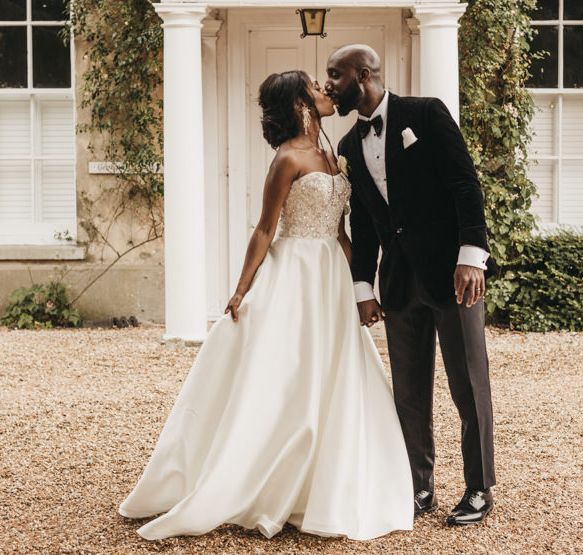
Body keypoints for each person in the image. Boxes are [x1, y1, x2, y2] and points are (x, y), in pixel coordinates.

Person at [118, 71, 413, 541]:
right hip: (294, 271)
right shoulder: (287, 160)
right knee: (287, 375)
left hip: (331, 275)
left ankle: (327, 482)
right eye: (317, 87)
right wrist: (240, 290)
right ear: (300, 103)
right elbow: (264, 229)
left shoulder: (333, 153)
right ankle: (266, 479)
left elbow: (340, 232)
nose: (326, 92)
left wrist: (362, 286)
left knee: (336, 373)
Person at [327, 45, 497, 527]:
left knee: (468, 384)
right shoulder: (346, 148)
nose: (329, 86)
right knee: (408, 394)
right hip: (399, 285)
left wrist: (471, 256)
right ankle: (418, 486)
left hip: (452, 274)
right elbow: (363, 221)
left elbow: (466, 185)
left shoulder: (425, 114)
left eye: (335, 76)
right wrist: (363, 286)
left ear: (364, 75)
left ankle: (479, 488)